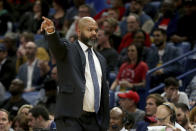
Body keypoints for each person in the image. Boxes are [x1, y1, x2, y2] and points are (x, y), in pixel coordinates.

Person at [41, 16, 109, 131]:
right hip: (70, 118)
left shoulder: (101, 59)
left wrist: (104, 121)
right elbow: (57, 47)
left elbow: (103, 89)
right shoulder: (68, 49)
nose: (94, 33)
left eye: (96, 30)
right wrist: (51, 32)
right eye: (89, 30)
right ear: (79, 32)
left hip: (94, 120)